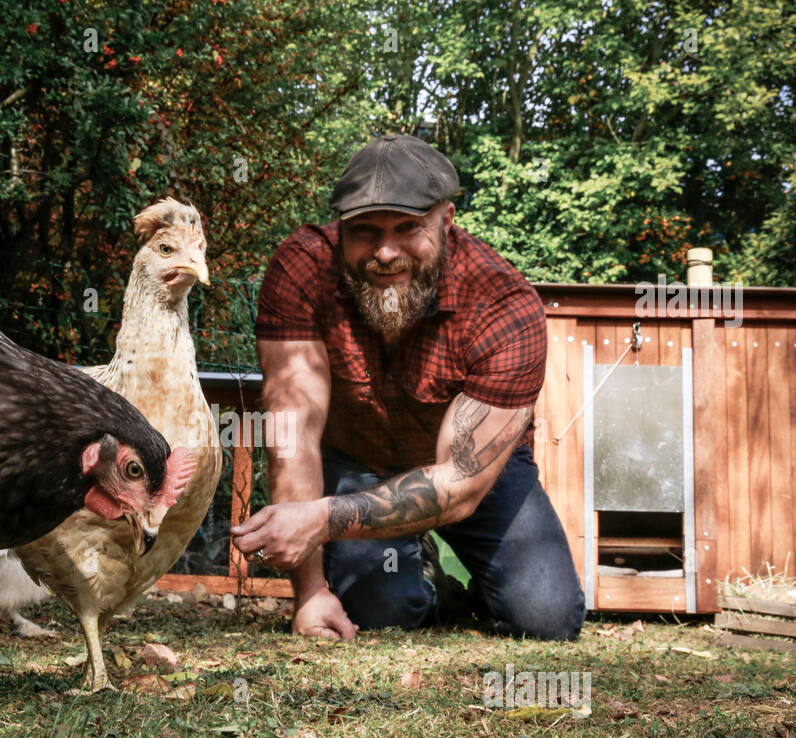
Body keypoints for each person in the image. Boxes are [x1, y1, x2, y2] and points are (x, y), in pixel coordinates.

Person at [230, 134, 585, 642]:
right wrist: (309, 593)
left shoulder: (504, 303)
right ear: (340, 228)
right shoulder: (302, 268)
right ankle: (429, 580)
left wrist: (323, 519)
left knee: (547, 619)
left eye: (407, 228)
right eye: (364, 232)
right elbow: (294, 434)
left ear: (448, 219)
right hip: (356, 459)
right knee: (382, 611)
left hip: (475, 472)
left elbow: (460, 484)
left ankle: (476, 579)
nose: (385, 252)